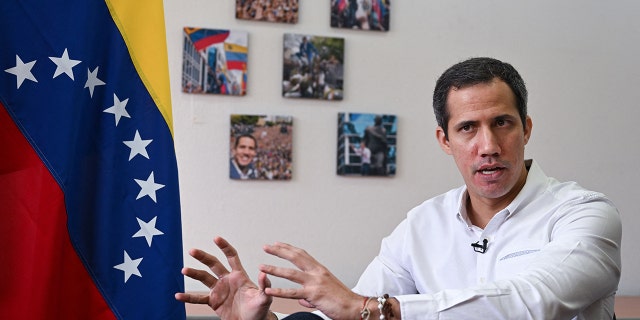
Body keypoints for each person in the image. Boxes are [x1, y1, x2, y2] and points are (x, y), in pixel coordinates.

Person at [176, 57, 622, 319]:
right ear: (445, 141)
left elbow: (532, 301)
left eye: (501, 123)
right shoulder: (421, 225)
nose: (488, 146)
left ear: (525, 128)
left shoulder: (584, 215)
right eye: (468, 128)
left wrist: (380, 310)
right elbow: (348, 313)